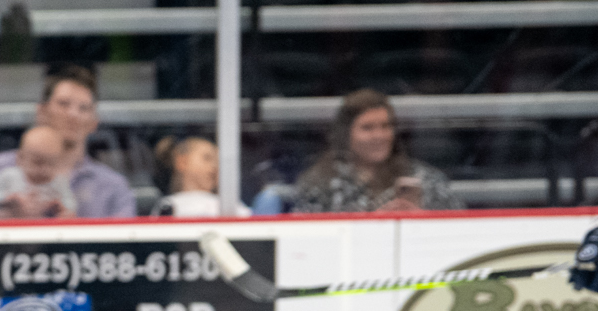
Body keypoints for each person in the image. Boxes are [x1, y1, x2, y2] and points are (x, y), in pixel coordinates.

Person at [0, 64, 136, 220]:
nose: (73, 115)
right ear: (41, 111)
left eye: (84, 108)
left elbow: (128, 245)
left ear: (94, 122)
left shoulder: (112, 186)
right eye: (64, 104)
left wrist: (76, 230)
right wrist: (3, 217)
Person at [289, 90, 462, 214]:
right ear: (345, 134)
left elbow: (458, 233)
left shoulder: (425, 180)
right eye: (367, 128)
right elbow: (307, 243)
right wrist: (374, 224)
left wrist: (420, 221)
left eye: (386, 126)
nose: (379, 135)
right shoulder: (319, 185)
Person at [0, 125, 77, 219]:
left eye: (51, 164)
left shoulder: (59, 182)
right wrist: (9, 199)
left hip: (45, 229)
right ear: (21, 158)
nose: (44, 169)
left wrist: (61, 206)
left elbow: (71, 205)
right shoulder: (9, 176)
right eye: (38, 163)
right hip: (11, 227)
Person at [150, 134, 248, 218]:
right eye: (207, 158)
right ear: (182, 162)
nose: (215, 166)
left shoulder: (229, 205)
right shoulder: (168, 206)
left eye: (218, 162)